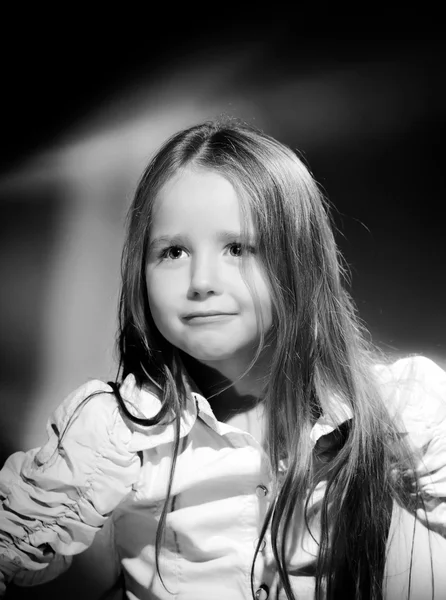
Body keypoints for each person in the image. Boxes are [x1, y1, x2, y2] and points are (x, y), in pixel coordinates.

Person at [0, 118, 445, 600]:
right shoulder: (115, 431)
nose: (201, 280)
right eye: (173, 252)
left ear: (300, 259)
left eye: (237, 247)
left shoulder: (398, 410)